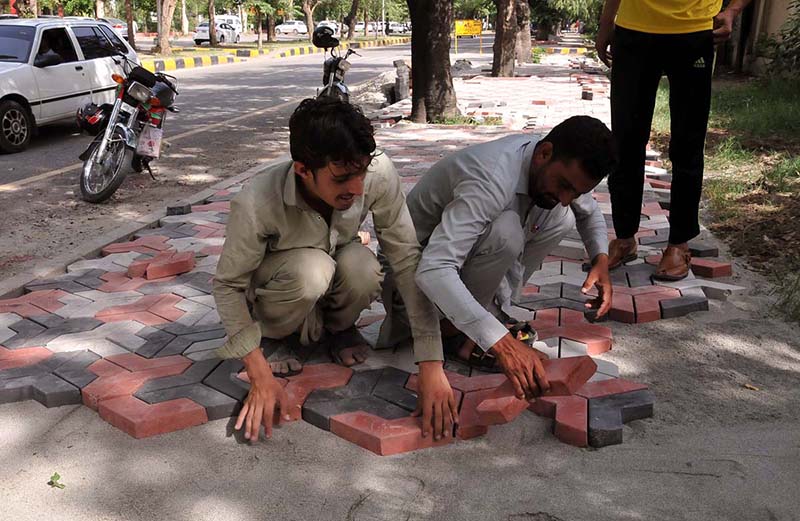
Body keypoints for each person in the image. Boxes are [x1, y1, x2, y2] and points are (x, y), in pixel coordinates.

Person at [212, 99, 443, 443]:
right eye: (341, 178)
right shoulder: (257, 201)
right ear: (303, 170)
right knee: (313, 269)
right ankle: (279, 338)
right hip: (283, 289)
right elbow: (227, 286)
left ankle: (339, 329)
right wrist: (257, 371)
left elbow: (407, 258)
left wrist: (431, 363)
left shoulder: (377, 174)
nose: (357, 188)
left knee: (365, 266)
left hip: (334, 267)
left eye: (362, 172)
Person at [380, 116, 619, 414]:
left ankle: (482, 319)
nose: (565, 197)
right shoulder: (491, 177)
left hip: (442, 275)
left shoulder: (552, 165)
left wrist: (600, 259)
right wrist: (503, 344)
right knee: (506, 231)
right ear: (544, 153)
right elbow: (434, 269)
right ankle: (458, 333)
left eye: (577, 192)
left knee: (562, 216)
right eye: (564, 186)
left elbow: (590, 213)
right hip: (408, 292)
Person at [595, 0, 752, 280]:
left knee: (687, 142)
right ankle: (624, 236)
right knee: (625, 140)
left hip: (694, 31)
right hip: (633, 29)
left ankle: (679, 243)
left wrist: (732, 11)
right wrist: (606, 23)